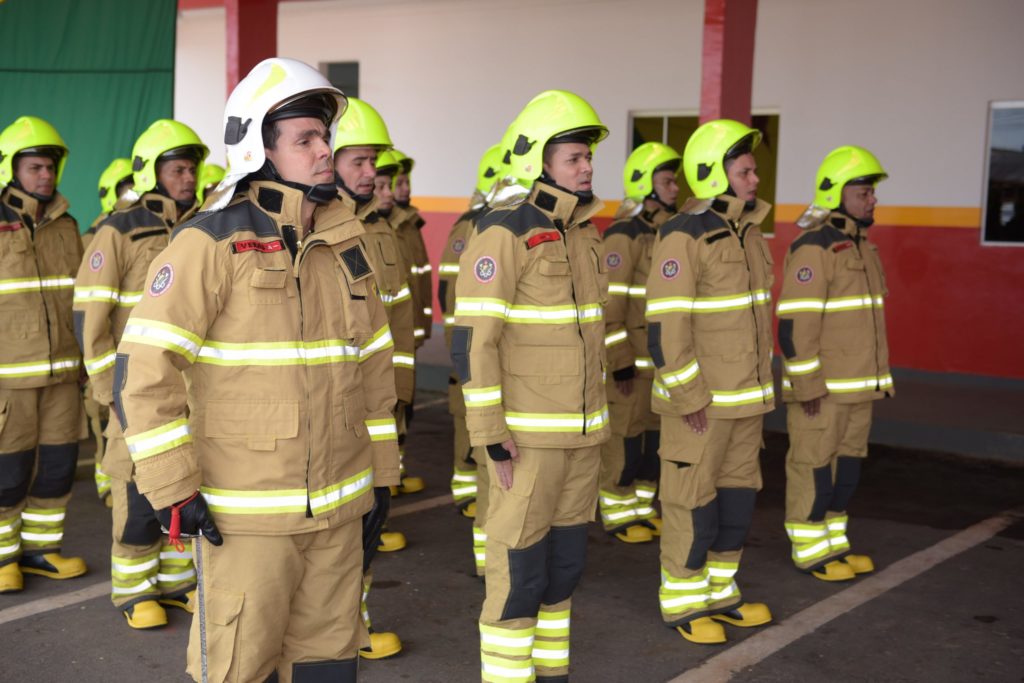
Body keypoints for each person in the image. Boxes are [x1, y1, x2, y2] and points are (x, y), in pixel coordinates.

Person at [115, 57, 399, 682]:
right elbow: (143, 371)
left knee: (329, 669)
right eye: (307, 139)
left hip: (340, 512)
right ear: (258, 149)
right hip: (246, 520)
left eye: (325, 136)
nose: (325, 151)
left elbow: (374, 372)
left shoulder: (345, 242)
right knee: (240, 669)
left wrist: (381, 478)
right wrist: (174, 490)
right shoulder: (208, 244)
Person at [454, 90, 610, 682]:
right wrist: (490, 433)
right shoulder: (502, 232)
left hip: (582, 436)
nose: (586, 167)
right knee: (518, 572)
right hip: (528, 441)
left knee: (563, 567)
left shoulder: (584, 233)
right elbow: (475, 344)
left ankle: (549, 672)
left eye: (586, 158)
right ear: (537, 160)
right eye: (573, 157)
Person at [74, 119, 208, 628]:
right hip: (136, 391)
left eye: (192, 168)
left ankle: (176, 582)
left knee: (185, 482)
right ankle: (133, 591)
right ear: (152, 172)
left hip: (193, 390)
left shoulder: (203, 227)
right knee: (134, 493)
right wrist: (111, 390)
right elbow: (90, 314)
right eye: (177, 169)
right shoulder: (119, 229)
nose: (188, 177)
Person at [646, 119, 775, 645]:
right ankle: (681, 599)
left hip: (746, 402)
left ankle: (721, 591)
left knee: (737, 502)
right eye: (743, 170)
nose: (754, 179)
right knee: (691, 504)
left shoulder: (748, 233)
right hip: (700, 405)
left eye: (752, 170)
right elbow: (666, 325)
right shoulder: (683, 234)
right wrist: (688, 394)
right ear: (713, 174)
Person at [777, 145, 893, 582]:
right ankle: (810, 550)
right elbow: (795, 327)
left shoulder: (863, 248)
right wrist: (806, 386)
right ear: (835, 193)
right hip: (823, 391)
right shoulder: (815, 247)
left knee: (846, 470)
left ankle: (833, 542)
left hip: (859, 388)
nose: (872, 199)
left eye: (871, 192)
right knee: (813, 468)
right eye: (863, 191)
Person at [332, 97, 410, 661]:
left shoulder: (369, 229)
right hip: (328, 412)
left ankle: (352, 625)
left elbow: (388, 322)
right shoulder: (313, 231)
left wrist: (399, 396)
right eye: (358, 161)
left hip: (374, 407)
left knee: (369, 520)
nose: (371, 175)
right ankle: (332, 633)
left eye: (373, 163)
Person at [0, 116, 86, 594]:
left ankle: (40, 551)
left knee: (57, 468)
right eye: (35, 167)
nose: (45, 176)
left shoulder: (66, 225)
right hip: (8, 380)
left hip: (62, 378)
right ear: (11, 168)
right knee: (7, 474)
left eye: (50, 167)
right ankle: (2, 558)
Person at [598, 141, 681, 544]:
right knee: (626, 439)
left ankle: (642, 507)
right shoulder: (624, 234)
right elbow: (609, 303)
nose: (674, 188)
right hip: (631, 362)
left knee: (652, 441)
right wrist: (618, 358)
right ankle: (617, 509)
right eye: (666, 181)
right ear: (644, 185)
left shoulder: (666, 231)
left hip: (658, 361)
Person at [439, 143, 503, 576]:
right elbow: (449, 294)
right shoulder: (473, 228)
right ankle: (464, 490)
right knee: (472, 441)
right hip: (474, 353)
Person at [84, 156, 134, 507]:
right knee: (107, 426)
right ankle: (108, 480)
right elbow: (89, 307)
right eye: (124, 188)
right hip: (105, 354)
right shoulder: (98, 235)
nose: (130, 194)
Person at [389, 149, 433, 346]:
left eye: (407, 182)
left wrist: (424, 323)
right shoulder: (388, 227)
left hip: (413, 327)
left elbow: (421, 279)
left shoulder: (411, 224)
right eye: (399, 184)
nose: (405, 188)